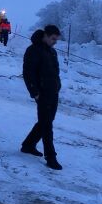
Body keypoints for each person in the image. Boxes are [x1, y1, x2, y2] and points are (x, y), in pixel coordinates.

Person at [21, 24, 63, 171]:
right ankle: (51, 157)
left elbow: (55, 72)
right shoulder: (33, 50)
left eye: (56, 40)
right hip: (42, 93)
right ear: (45, 35)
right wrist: (35, 92)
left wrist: (57, 86)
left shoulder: (52, 52)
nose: (55, 42)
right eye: (53, 39)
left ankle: (28, 145)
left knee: (46, 121)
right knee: (47, 126)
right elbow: (28, 73)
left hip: (53, 92)